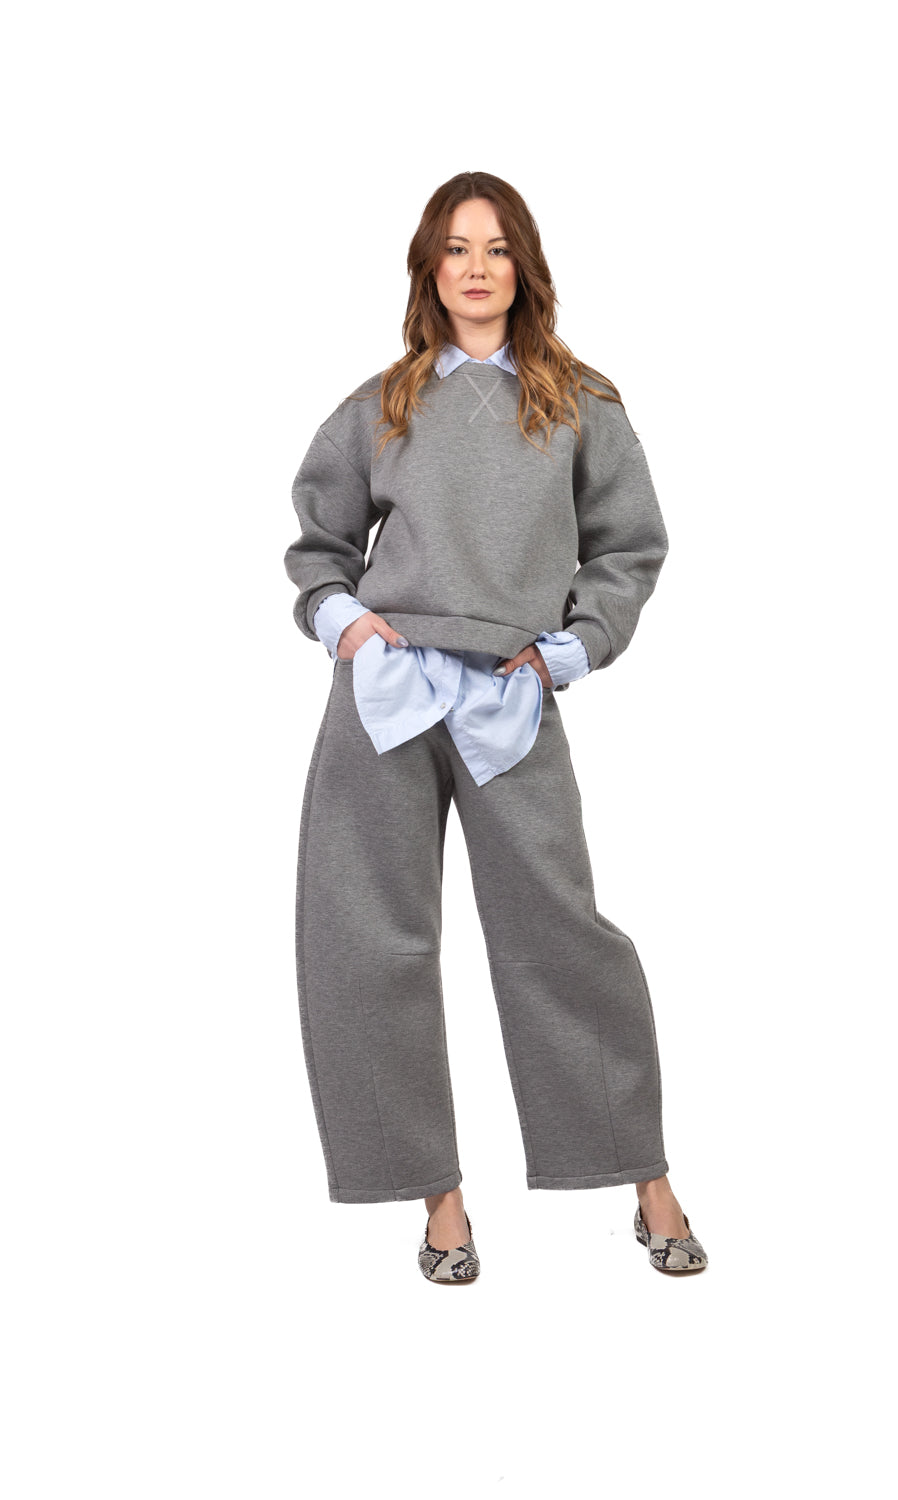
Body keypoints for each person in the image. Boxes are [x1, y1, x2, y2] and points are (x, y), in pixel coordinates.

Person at [284, 171, 708, 1282]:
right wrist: (347, 624)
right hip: (386, 697)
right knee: (366, 938)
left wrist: (572, 646)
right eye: (457, 248)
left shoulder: (579, 404)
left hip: (509, 695)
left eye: (498, 247)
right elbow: (319, 545)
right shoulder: (383, 403)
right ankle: (439, 1202)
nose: (477, 267)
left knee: (561, 933)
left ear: (525, 266)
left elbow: (628, 548)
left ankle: (645, 1178)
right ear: (430, 268)